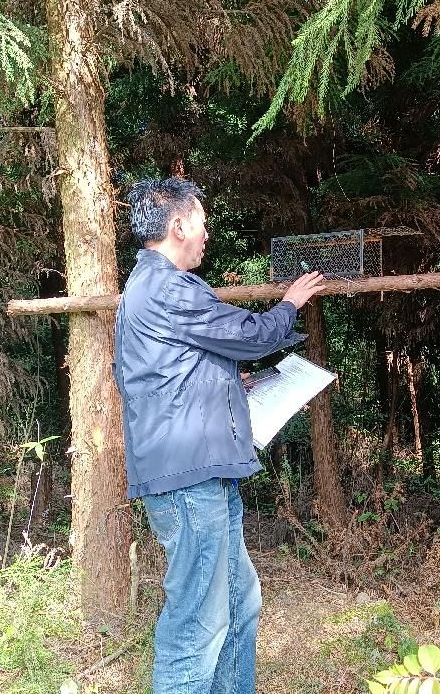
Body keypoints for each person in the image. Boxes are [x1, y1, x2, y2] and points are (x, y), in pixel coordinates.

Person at [113, 177, 325, 694]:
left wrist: (234, 380)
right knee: (196, 626)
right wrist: (289, 304)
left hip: (203, 476)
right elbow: (247, 335)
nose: (208, 235)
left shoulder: (148, 289)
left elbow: (172, 372)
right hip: (188, 480)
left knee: (239, 603)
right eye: (203, 225)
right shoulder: (166, 288)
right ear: (179, 225)